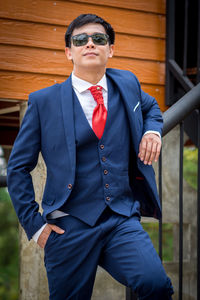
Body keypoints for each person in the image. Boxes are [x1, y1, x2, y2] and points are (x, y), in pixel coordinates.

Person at [7, 13, 174, 300]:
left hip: (120, 218)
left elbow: (151, 108)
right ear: (68, 52)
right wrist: (35, 227)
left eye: (99, 39)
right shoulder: (42, 102)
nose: (90, 44)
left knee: (156, 285)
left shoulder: (128, 83)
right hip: (67, 227)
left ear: (110, 49)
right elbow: (18, 167)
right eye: (80, 40)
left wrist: (153, 133)